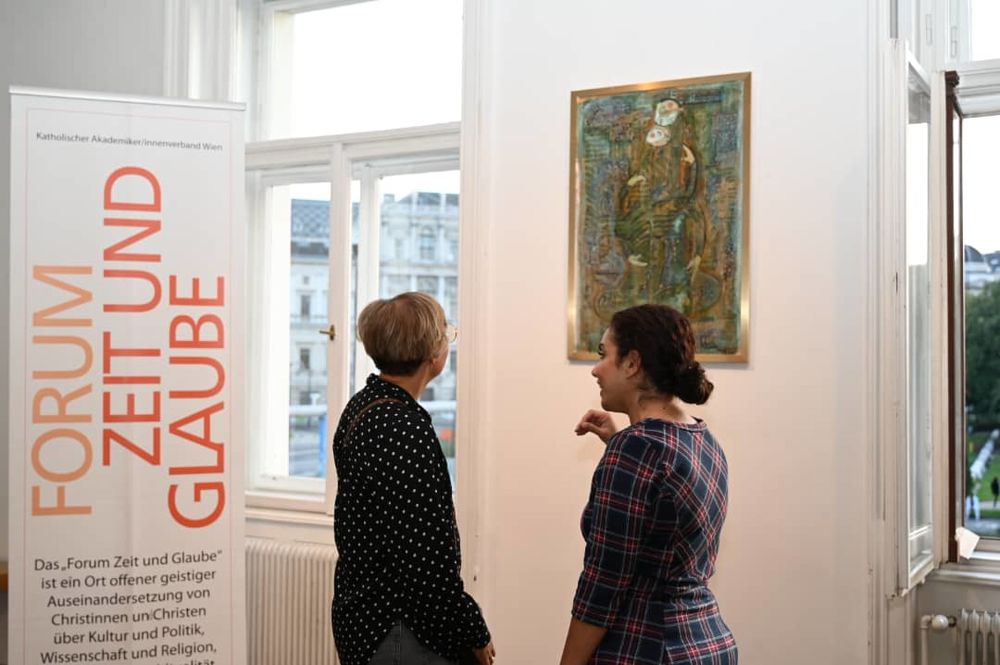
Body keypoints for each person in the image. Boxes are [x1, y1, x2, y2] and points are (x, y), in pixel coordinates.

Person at [560, 304, 737, 665]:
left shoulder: (637, 449)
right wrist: (618, 443)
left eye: (603, 354)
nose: (595, 369)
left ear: (632, 363)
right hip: (706, 643)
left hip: (647, 647)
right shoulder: (703, 439)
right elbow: (665, 517)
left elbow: (603, 585)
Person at [332, 292, 495, 665]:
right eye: (446, 333)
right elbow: (425, 559)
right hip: (398, 629)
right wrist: (472, 629)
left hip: (361, 619)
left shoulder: (362, 406)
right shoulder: (403, 427)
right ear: (433, 353)